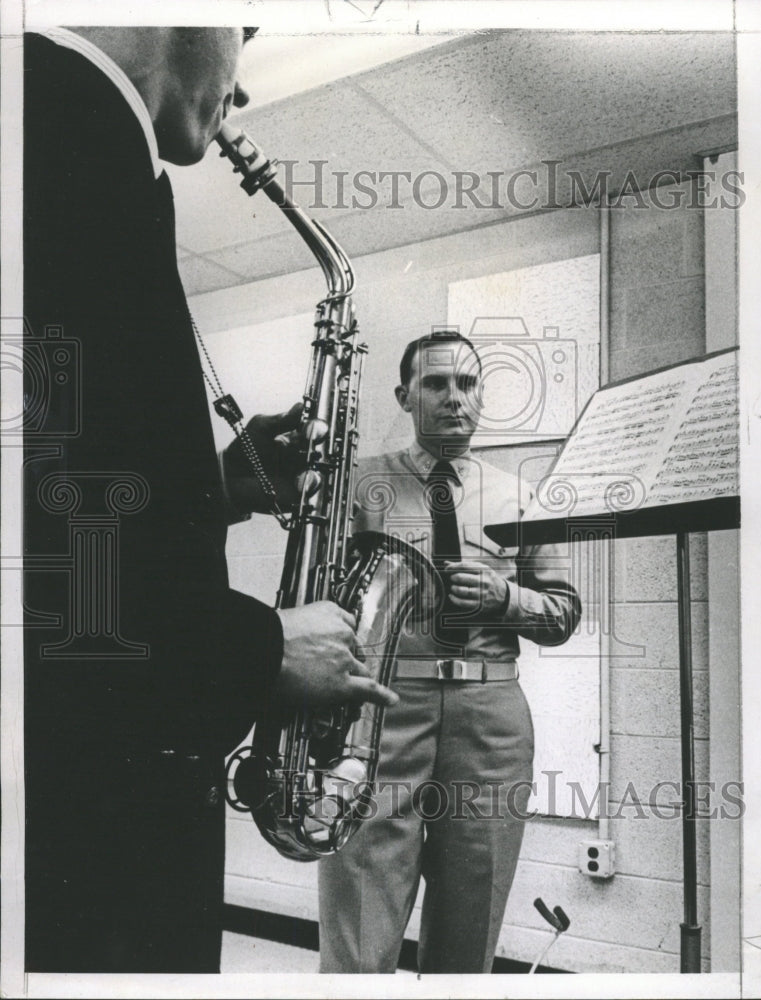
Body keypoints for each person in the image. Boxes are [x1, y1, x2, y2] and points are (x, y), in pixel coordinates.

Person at [22, 26, 396, 974]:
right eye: (249, 30)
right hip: (93, 837)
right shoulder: (58, 148)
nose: (242, 84)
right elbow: (51, 587)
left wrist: (214, 486)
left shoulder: (65, 139)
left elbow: (61, 492)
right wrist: (264, 647)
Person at [318, 330, 581, 974]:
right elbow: (318, 600)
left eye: (467, 384)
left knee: (472, 919)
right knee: (358, 913)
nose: (454, 399)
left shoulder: (522, 492)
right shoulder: (357, 485)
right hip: (379, 711)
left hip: (489, 718)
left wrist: (504, 597)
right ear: (405, 394)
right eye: (436, 384)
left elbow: (564, 614)